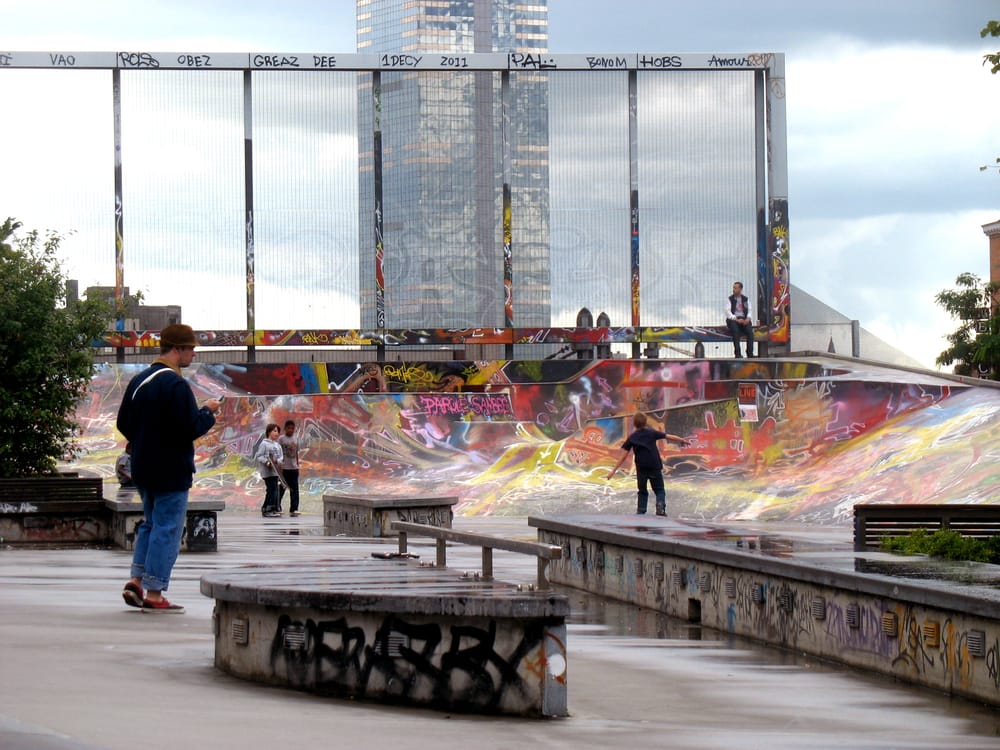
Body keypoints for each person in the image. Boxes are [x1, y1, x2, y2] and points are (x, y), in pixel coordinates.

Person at [116, 324, 221, 614]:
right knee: (168, 528)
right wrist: (208, 411)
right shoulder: (176, 385)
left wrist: (145, 441)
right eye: (191, 349)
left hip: (143, 467)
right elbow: (191, 427)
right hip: (171, 468)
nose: (193, 355)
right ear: (178, 349)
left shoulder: (140, 380)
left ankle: (136, 580)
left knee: (150, 523)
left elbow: (123, 423)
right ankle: (154, 592)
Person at [607, 412, 689, 516]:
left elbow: (623, 456)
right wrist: (681, 440)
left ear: (634, 424)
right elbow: (668, 436)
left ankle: (641, 511)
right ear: (645, 422)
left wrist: (613, 470)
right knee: (659, 489)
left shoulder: (632, 437)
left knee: (642, 490)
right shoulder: (651, 433)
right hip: (654, 465)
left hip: (641, 468)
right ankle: (660, 506)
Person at [255, 423, 284, 517]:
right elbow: (259, 456)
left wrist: (277, 462)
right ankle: (267, 509)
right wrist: (267, 462)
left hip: (275, 472)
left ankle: (272, 508)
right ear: (269, 432)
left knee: (275, 490)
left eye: (278, 431)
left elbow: (281, 457)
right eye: (274, 431)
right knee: (271, 490)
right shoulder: (264, 444)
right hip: (267, 472)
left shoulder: (278, 445)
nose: (277, 433)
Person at [278, 419, 301, 517]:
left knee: (295, 489)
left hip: (293, 468)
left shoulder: (296, 438)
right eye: (289, 428)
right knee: (281, 488)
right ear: (285, 429)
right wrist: (279, 467)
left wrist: (297, 465)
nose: (290, 430)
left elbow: (296, 453)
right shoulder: (281, 439)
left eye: (292, 428)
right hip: (284, 468)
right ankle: (277, 506)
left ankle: (294, 508)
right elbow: (278, 452)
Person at [726, 280, 755, 358]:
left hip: (744, 319)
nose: (734, 289)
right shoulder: (730, 299)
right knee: (735, 331)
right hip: (734, 319)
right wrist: (736, 319)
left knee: (750, 332)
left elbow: (750, 310)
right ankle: (738, 354)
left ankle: (750, 353)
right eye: (733, 288)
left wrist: (748, 319)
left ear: (740, 289)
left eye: (735, 288)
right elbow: (728, 312)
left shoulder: (746, 299)